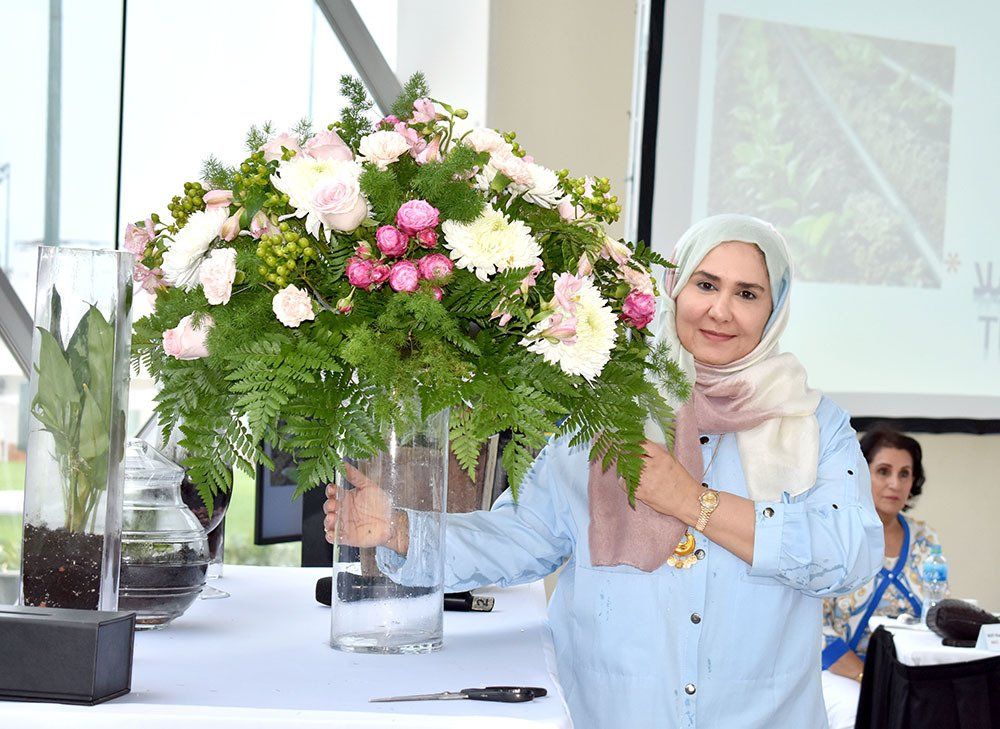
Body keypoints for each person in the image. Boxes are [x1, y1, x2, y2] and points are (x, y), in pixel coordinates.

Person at [324, 214, 884, 729]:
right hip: (610, 713)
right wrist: (401, 530)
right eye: (706, 284)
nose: (720, 310)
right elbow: (526, 535)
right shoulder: (607, 406)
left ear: (774, 309)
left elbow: (849, 554)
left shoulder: (814, 424)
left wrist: (692, 502)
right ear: (675, 288)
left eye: (747, 294)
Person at [821, 427, 942, 729]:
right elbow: (815, 628)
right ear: (860, 473)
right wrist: (871, 679)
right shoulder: (835, 535)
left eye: (904, 474)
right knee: (860, 716)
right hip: (841, 672)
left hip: (909, 674)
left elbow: (937, 612)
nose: (894, 484)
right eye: (883, 471)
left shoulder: (925, 538)